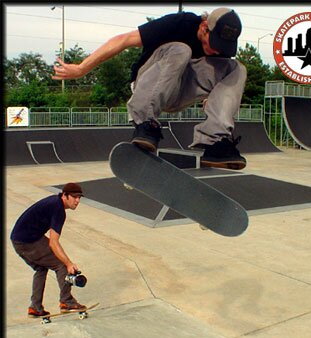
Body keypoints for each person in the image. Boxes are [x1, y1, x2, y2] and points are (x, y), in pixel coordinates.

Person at [52, 7, 247, 170]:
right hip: (148, 84)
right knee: (182, 50)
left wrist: (214, 100)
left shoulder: (219, 49)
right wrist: (82, 68)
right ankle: (145, 122)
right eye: (213, 44)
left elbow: (220, 81)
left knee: (236, 68)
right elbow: (124, 39)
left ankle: (215, 142)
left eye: (222, 48)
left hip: (179, 92)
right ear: (204, 27)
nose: (215, 51)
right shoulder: (180, 23)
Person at [10, 183, 86, 317]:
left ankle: (35, 308)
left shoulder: (54, 203)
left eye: (79, 197)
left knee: (41, 268)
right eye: (74, 197)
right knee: (61, 264)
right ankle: (67, 302)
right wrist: (68, 263)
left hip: (21, 239)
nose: (77, 201)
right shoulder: (58, 209)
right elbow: (53, 242)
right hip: (27, 242)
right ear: (65, 196)